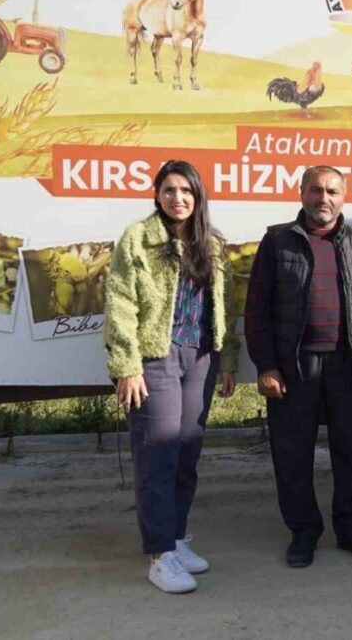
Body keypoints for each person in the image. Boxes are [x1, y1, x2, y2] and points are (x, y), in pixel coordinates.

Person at [244, 165, 352, 568]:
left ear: (344, 197)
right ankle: (303, 533)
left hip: (351, 368)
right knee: (292, 456)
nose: (323, 198)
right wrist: (266, 366)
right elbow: (256, 309)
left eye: (332, 191)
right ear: (301, 194)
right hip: (295, 370)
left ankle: (351, 528)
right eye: (315, 190)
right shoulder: (277, 242)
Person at [104, 159, 239, 594]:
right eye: (168, 190)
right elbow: (120, 302)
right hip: (154, 359)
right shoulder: (137, 239)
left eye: (186, 191)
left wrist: (229, 359)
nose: (177, 198)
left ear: (198, 196)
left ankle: (176, 538)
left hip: (200, 360)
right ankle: (159, 556)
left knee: (186, 454)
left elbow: (226, 305)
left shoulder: (213, 244)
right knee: (157, 456)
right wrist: (127, 366)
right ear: (157, 195)